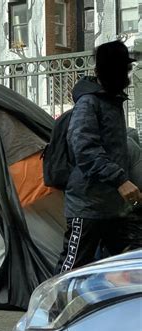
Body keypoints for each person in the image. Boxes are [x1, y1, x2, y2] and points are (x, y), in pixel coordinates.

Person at [56, 40, 141, 274]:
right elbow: (84, 149)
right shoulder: (89, 102)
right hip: (87, 207)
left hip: (113, 207)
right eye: (124, 69)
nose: (127, 75)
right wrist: (120, 180)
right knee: (72, 270)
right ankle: (53, 311)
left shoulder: (111, 102)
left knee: (130, 264)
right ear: (110, 71)